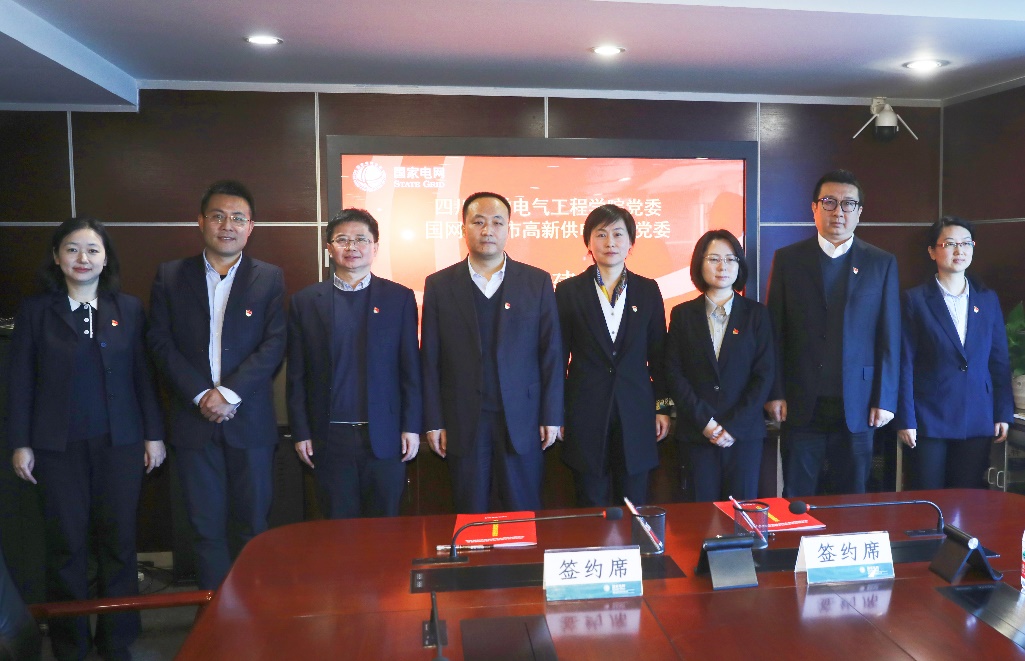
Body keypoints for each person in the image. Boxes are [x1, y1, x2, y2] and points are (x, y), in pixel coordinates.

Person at [7, 217, 164, 661]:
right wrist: (21, 442)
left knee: (119, 543)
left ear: (106, 258)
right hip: (58, 449)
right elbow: (20, 381)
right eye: (72, 249)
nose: (83, 258)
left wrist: (154, 436)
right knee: (67, 546)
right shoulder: (36, 312)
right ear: (57, 257)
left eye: (93, 250)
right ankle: (70, 644)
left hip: (120, 444)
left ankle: (117, 639)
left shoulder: (127, 308)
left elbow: (143, 378)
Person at [148, 180, 285, 589]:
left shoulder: (269, 278)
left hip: (250, 423)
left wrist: (227, 393)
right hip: (193, 422)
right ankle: (215, 614)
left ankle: (251, 610)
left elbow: (275, 343)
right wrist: (201, 395)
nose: (228, 225)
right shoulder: (171, 276)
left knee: (253, 524)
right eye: (218, 216)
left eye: (238, 218)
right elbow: (159, 342)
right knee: (204, 528)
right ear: (201, 221)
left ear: (251, 227)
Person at [421, 191, 563, 513]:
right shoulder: (440, 284)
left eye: (497, 222)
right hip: (462, 419)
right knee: (470, 512)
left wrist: (552, 414)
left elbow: (552, 354)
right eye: (478, 222)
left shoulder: (537, 281)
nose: (488, 230)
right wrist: (433, 420)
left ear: (508, 228)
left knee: (522, 510)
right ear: (464, 228)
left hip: (524, 419)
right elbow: (430, 359)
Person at [765, 169, 900, 496]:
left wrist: (884, 398)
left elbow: (889, 337)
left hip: (859, 403)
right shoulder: (788, 260)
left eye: (848, 204)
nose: (838, 211)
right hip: (801, 403)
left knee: (851, 499)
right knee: (797, 497)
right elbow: (774, 334)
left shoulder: (880, 263)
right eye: (829, 202)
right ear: (814, 208)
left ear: (859, 212)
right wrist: (775, 391)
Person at [286, 209, 421, 517]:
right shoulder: (305, 301)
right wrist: (301, 432)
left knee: (386, 528)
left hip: (386, 437)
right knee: (338, 530)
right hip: (329, 438)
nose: (352, 247)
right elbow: (297, 375)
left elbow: (410, 370)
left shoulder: (398, 298)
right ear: (329, 247)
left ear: (375, 247)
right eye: (342, 240)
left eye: (361, 239)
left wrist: (412, 427)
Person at [555, 204, 669, 507]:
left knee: (634, 502)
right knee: (591, 502)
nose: (610, 242)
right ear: (588, 242)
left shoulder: (648, 290)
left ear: (631, 242)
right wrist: (557, 412)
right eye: (601, 234)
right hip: (585, 410)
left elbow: (659, 356)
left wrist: (663, 408)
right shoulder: (568, 291)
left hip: (637, 411)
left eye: (618, 234)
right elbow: (558, 358)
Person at [896, 217, 1013, 489]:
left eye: (966, 243)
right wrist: (906, 418)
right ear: (932, 251)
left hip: (977, 416)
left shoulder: (987, 299)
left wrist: (1002, 412)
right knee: (928, 499)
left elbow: (999, 361)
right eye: (949, 244)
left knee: (968, 499)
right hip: (928, 419)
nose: (959, 250)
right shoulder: (915, 300)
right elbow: (904, 364)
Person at [665, 230, 774, 502]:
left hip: (744, 436)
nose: (722, 266)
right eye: (714, 259)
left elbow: (764, 375)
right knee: (700, 515)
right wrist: (705, 422)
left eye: (730, 259)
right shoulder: (682, 315)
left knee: (741, 516)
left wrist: (734, 426)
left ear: (739, 265)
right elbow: (674, 373)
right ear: (699, 264)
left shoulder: (757, 315)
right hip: (697, 434)